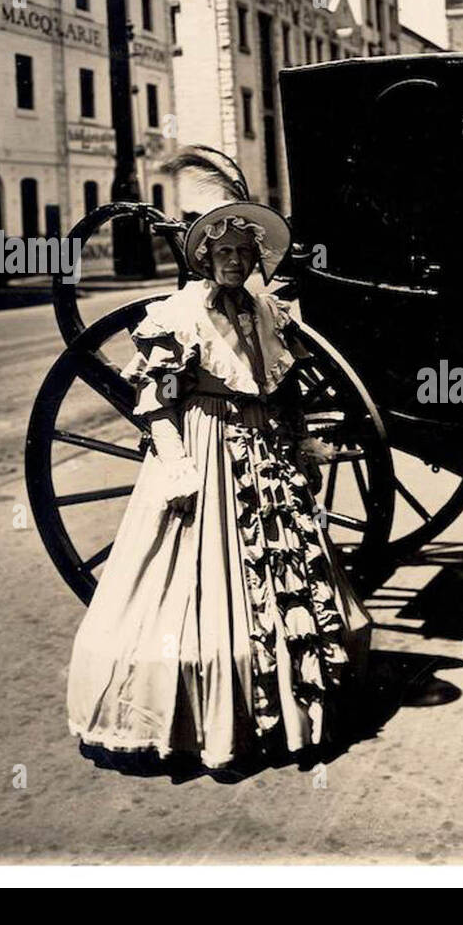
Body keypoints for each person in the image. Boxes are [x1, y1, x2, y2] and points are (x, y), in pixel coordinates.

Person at [67, 148, 370, 771]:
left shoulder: (266, 313)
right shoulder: (177, 316)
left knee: (285, 571)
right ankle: (202, 720)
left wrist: (299, 441)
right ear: (203, 258)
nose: (235, 262)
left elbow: (280, 389)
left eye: (244, 254)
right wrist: (176, 461)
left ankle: (283, 707)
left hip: (261, 447)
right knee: (193, 579)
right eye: (223, 253)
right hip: (203, 443)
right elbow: (156, 401)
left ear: (256, 259)